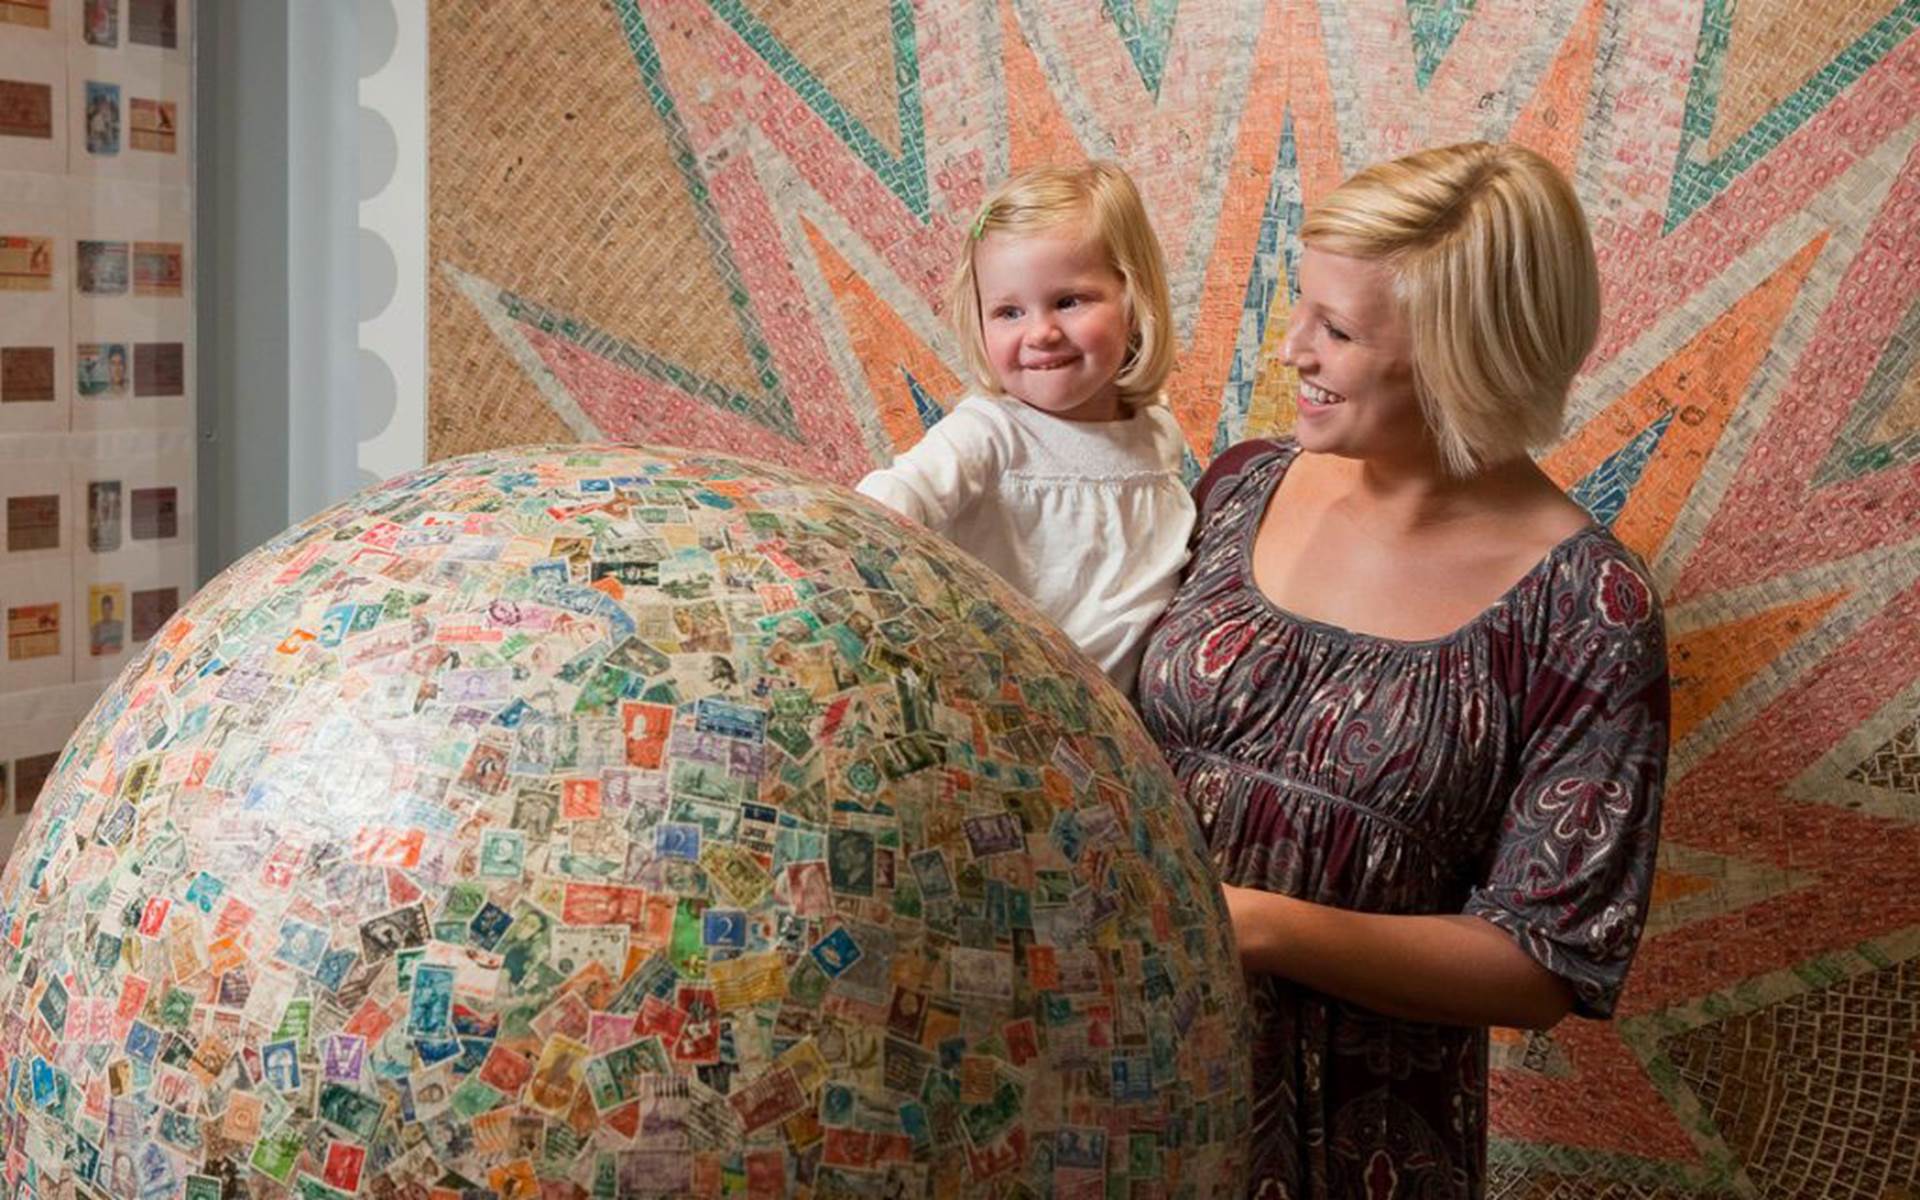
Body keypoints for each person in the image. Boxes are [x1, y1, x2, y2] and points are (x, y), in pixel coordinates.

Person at [1137, 142, 1670, 1197]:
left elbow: (1543, 961)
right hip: (1122, 1092)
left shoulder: (1588, 611)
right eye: (1305, 309)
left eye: (1336, 330)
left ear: (1465, 355)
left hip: (1360, 1141)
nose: (1292, 348)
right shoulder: (1240, 485)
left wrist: (1261, 928)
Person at [856, 162, 1193, 694]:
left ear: (1133, 300)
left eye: (1068, 301)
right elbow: (899, 494)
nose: (1041, 332)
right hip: (1014, 704)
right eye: (1009, 312)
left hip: (1122, 728)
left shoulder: (1156, 433)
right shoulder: (990, 433)